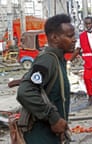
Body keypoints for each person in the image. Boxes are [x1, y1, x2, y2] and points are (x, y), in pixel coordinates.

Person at [17, 14, 76, 143]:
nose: (74, 40)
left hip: (51, 135)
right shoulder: (47, 60)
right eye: (70, 36)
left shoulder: (58, 60)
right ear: (54, 38)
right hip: (40, 136)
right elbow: (25, 92)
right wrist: (54, 118)